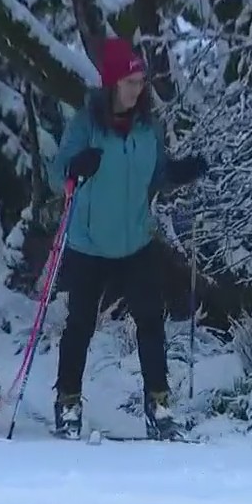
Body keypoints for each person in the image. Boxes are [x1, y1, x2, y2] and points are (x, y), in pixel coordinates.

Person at [44, 37, 205, 441]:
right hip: (88, 243)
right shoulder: (86, 124)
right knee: (79, 325)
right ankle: (67, 403)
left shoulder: (149, 127)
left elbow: (155, 176)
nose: (138, 89)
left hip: (135, 240)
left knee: (151, 322)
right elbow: (56, 175)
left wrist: (178, 173)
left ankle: (159, 405)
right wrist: (75, 167)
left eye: (141, 81)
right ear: (112, 83)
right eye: (130, 81)